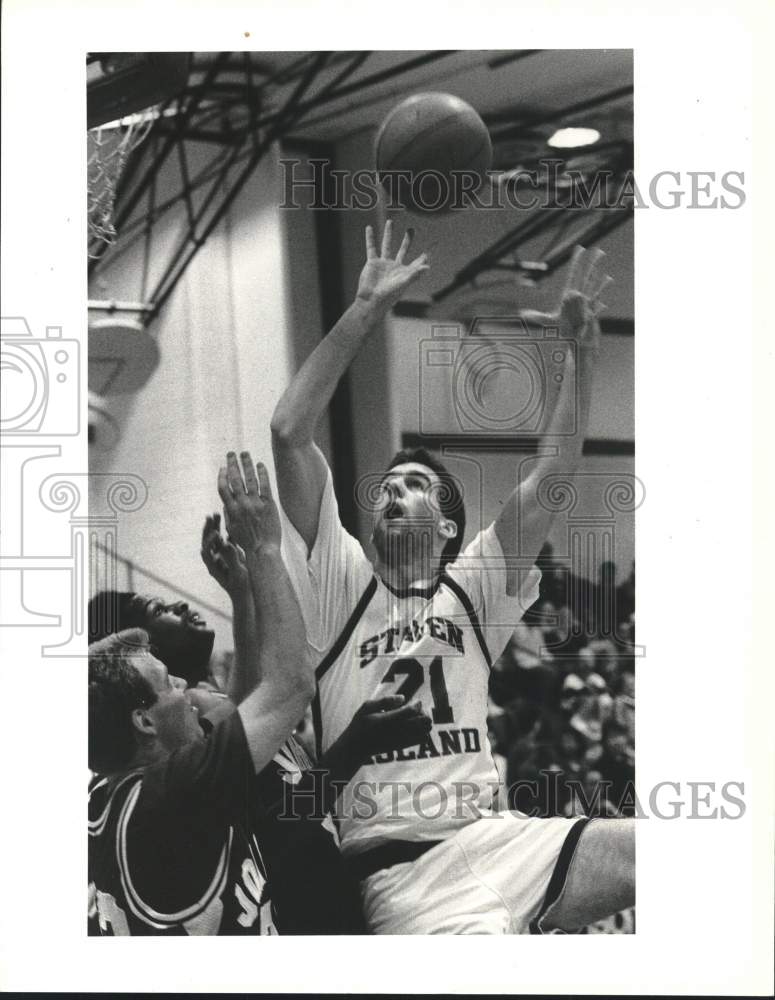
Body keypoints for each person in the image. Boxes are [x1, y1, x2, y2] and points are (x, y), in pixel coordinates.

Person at [270, 221, 635, 934]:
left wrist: (579, 356)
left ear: (446, 528)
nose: (390, 492)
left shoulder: (472, 586)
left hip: (502, 841)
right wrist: (364, 310)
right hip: (404, 877)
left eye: (412, 485)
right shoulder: (341, 583)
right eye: (384, 487)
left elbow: (550, 478)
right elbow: (289, 430)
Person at [88, 451, 431, 935]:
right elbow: (286, 692)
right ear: (140, 717)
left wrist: (243, 595)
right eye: (166, 679)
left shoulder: (154, 770)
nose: (177, 605)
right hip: (306, 902)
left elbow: (246, 705)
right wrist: (266, 545)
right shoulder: (170, 791)